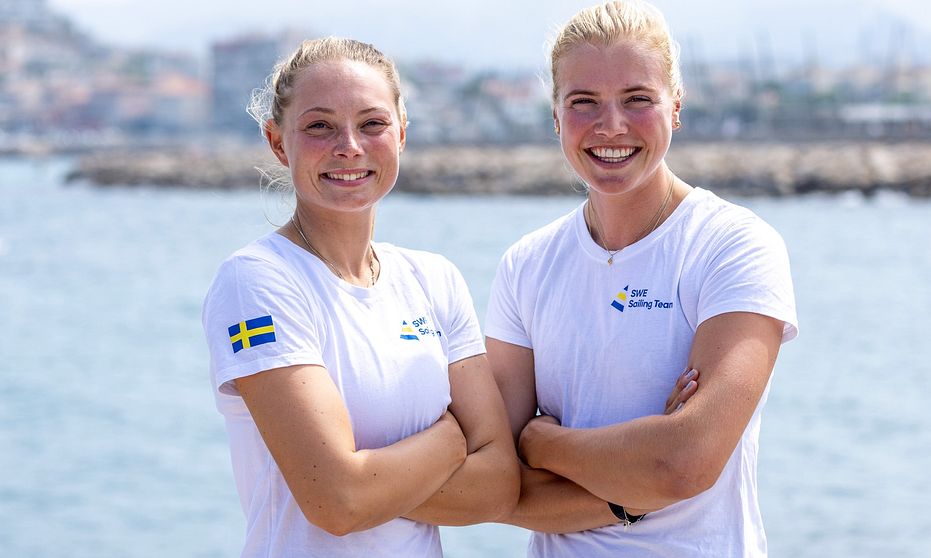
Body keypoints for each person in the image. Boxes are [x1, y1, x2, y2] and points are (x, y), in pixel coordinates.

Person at [485, 1, 799, 556]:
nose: (611, 126)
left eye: (638, 99)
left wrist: (542, 440)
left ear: (676, 107)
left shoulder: (734, 245)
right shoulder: (526, 265)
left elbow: (684, 463)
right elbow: (497, 484)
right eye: (584, 103)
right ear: (555, 115)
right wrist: (635, 488)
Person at [201, 37, 519, 557]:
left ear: (402, 134)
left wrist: (369, 482)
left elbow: (499, 485)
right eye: (320, 126)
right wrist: (451, 439)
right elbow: (338, 503)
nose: (348, 145)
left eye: (372, 123)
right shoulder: (256, 281)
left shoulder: (434, 279)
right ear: (278, 142)